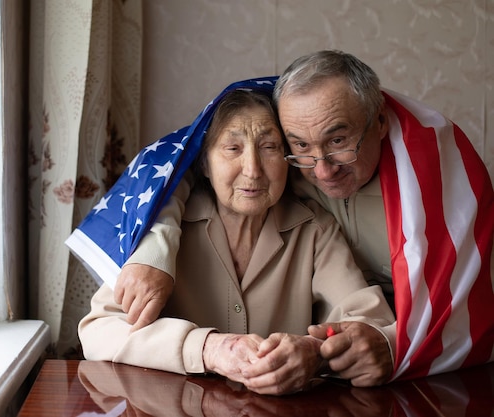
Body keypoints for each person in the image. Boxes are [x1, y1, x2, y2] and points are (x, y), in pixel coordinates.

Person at [112, 50, 494, 381]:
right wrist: (155, 246)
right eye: (300, 145)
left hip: (417, 354)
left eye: (339, 141)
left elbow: (461, 306)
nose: (323, 170)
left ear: (379, 121)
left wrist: (323, 352)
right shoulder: (269, 175)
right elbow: (179, 168)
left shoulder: (430, 186)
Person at [78, 89, 396, 395]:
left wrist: (316, 351)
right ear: (203, 163)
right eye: (233, 149)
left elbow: (371, 323)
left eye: (269, 147)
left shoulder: (314, 229)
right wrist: (210, 348)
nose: (253, 169)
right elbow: (99, 331)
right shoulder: (161, 229)